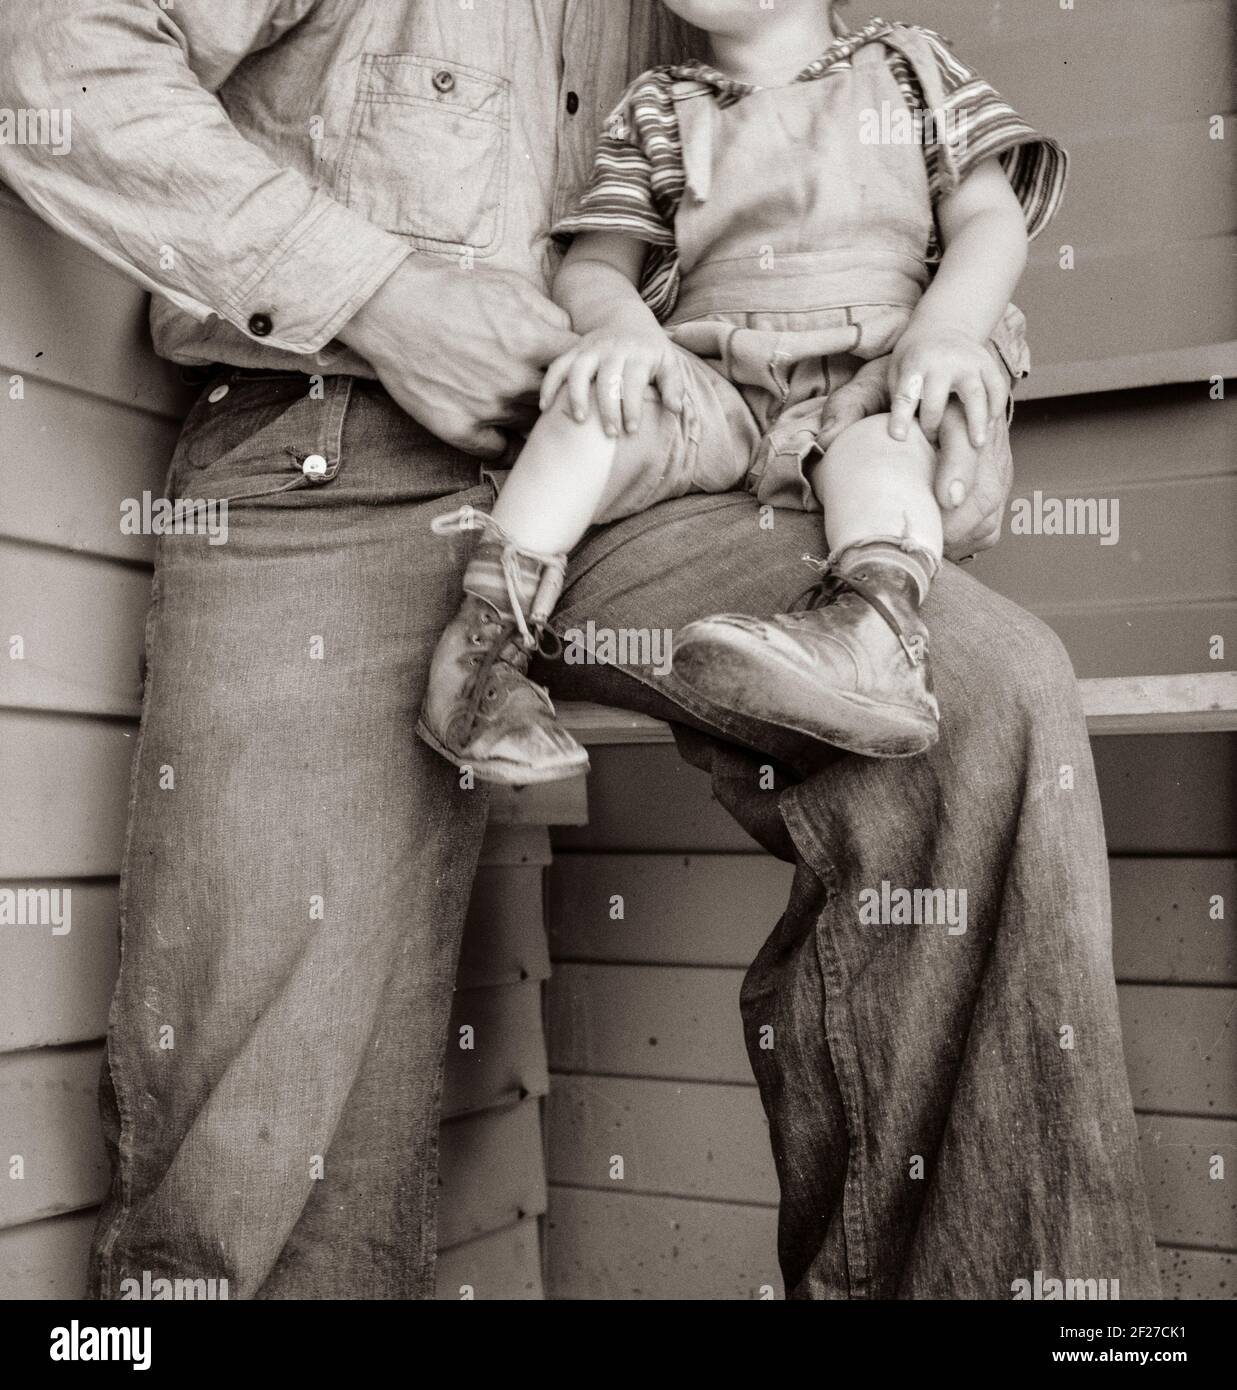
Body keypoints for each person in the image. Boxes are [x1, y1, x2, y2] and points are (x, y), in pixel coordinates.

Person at [0, 0, 1160, 1299]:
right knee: (265, 1131)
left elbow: (866, 223)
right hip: (332, 448)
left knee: (983, 696)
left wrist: (950, 373)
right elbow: (48, 57)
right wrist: (382, 297)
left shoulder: (724, 35)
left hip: (658, 471)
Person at [419, 3, 1055, 781]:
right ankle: (482, 655)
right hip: (712, 377)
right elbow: (594, 265)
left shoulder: (908, 68)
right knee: (591, 403)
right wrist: (623, 330)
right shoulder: (656, 106)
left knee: (887, 449)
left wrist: (947, 331)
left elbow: (990, 218)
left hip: (866, 373)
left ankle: (870, 636)